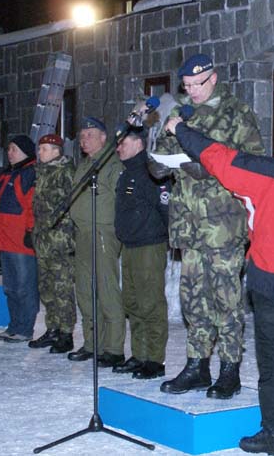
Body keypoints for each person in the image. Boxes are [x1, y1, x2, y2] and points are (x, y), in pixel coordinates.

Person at [166, 110, 274, 455]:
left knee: (273, 361)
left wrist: (179, 129)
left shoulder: (267, 171)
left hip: (271, 280)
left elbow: (215, 155)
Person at [154, 54, 265, 398]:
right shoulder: (180, 113)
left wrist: (208, 165)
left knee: (225, 298)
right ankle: (197, 364)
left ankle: (229, 367)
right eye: (185, 86)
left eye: (196, 85)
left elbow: (251, 162)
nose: (191, 91)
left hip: (222, 223)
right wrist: (161, 160)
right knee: (192, 297)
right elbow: (159, 158)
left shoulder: (236, 113)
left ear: (213, 78)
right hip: (188, 223)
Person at [67, 116, 126, 368]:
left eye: (90, 135)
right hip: (82, 233)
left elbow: (121, 200)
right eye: (81, 136)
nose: (84, 140)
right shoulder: (84, 165)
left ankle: (113, 348)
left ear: (103, 137)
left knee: (106, 289)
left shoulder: (112, 164)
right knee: (85, 290)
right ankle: (93, 343)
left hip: (103, 232)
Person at [113, 128, 170, 380]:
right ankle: (139, 354)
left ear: (138, 144)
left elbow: (165, 207)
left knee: (151, 303)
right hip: (130, 245)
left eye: (123, 143)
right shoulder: (127, 173)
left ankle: (155, 360)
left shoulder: (150, 171)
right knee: (133, 303)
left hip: (149, 246)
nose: (118, 148)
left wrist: (167, 237)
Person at [29, 134, 76, 353]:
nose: (40, 152)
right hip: (43, 239)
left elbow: (72, 204)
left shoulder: (65, 172)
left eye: (44, 149)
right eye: (40, 149)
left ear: (57, 151)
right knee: (46, 286)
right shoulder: (43, 172)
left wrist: (66, 234)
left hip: (60, 240)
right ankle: (53, 328)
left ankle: (66, 333)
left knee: (62, 286)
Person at [0, 135, 39, 343]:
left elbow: (33, 204)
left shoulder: (29, 174)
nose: (9, 153)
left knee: (24, 287)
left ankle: (25, 329)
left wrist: (30, 231)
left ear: (25, 152)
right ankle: (14, 326)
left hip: (20, 241)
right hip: (6, 239)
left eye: (14, 149)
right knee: (10, 288)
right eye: (8, 149)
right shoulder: (8, 174)